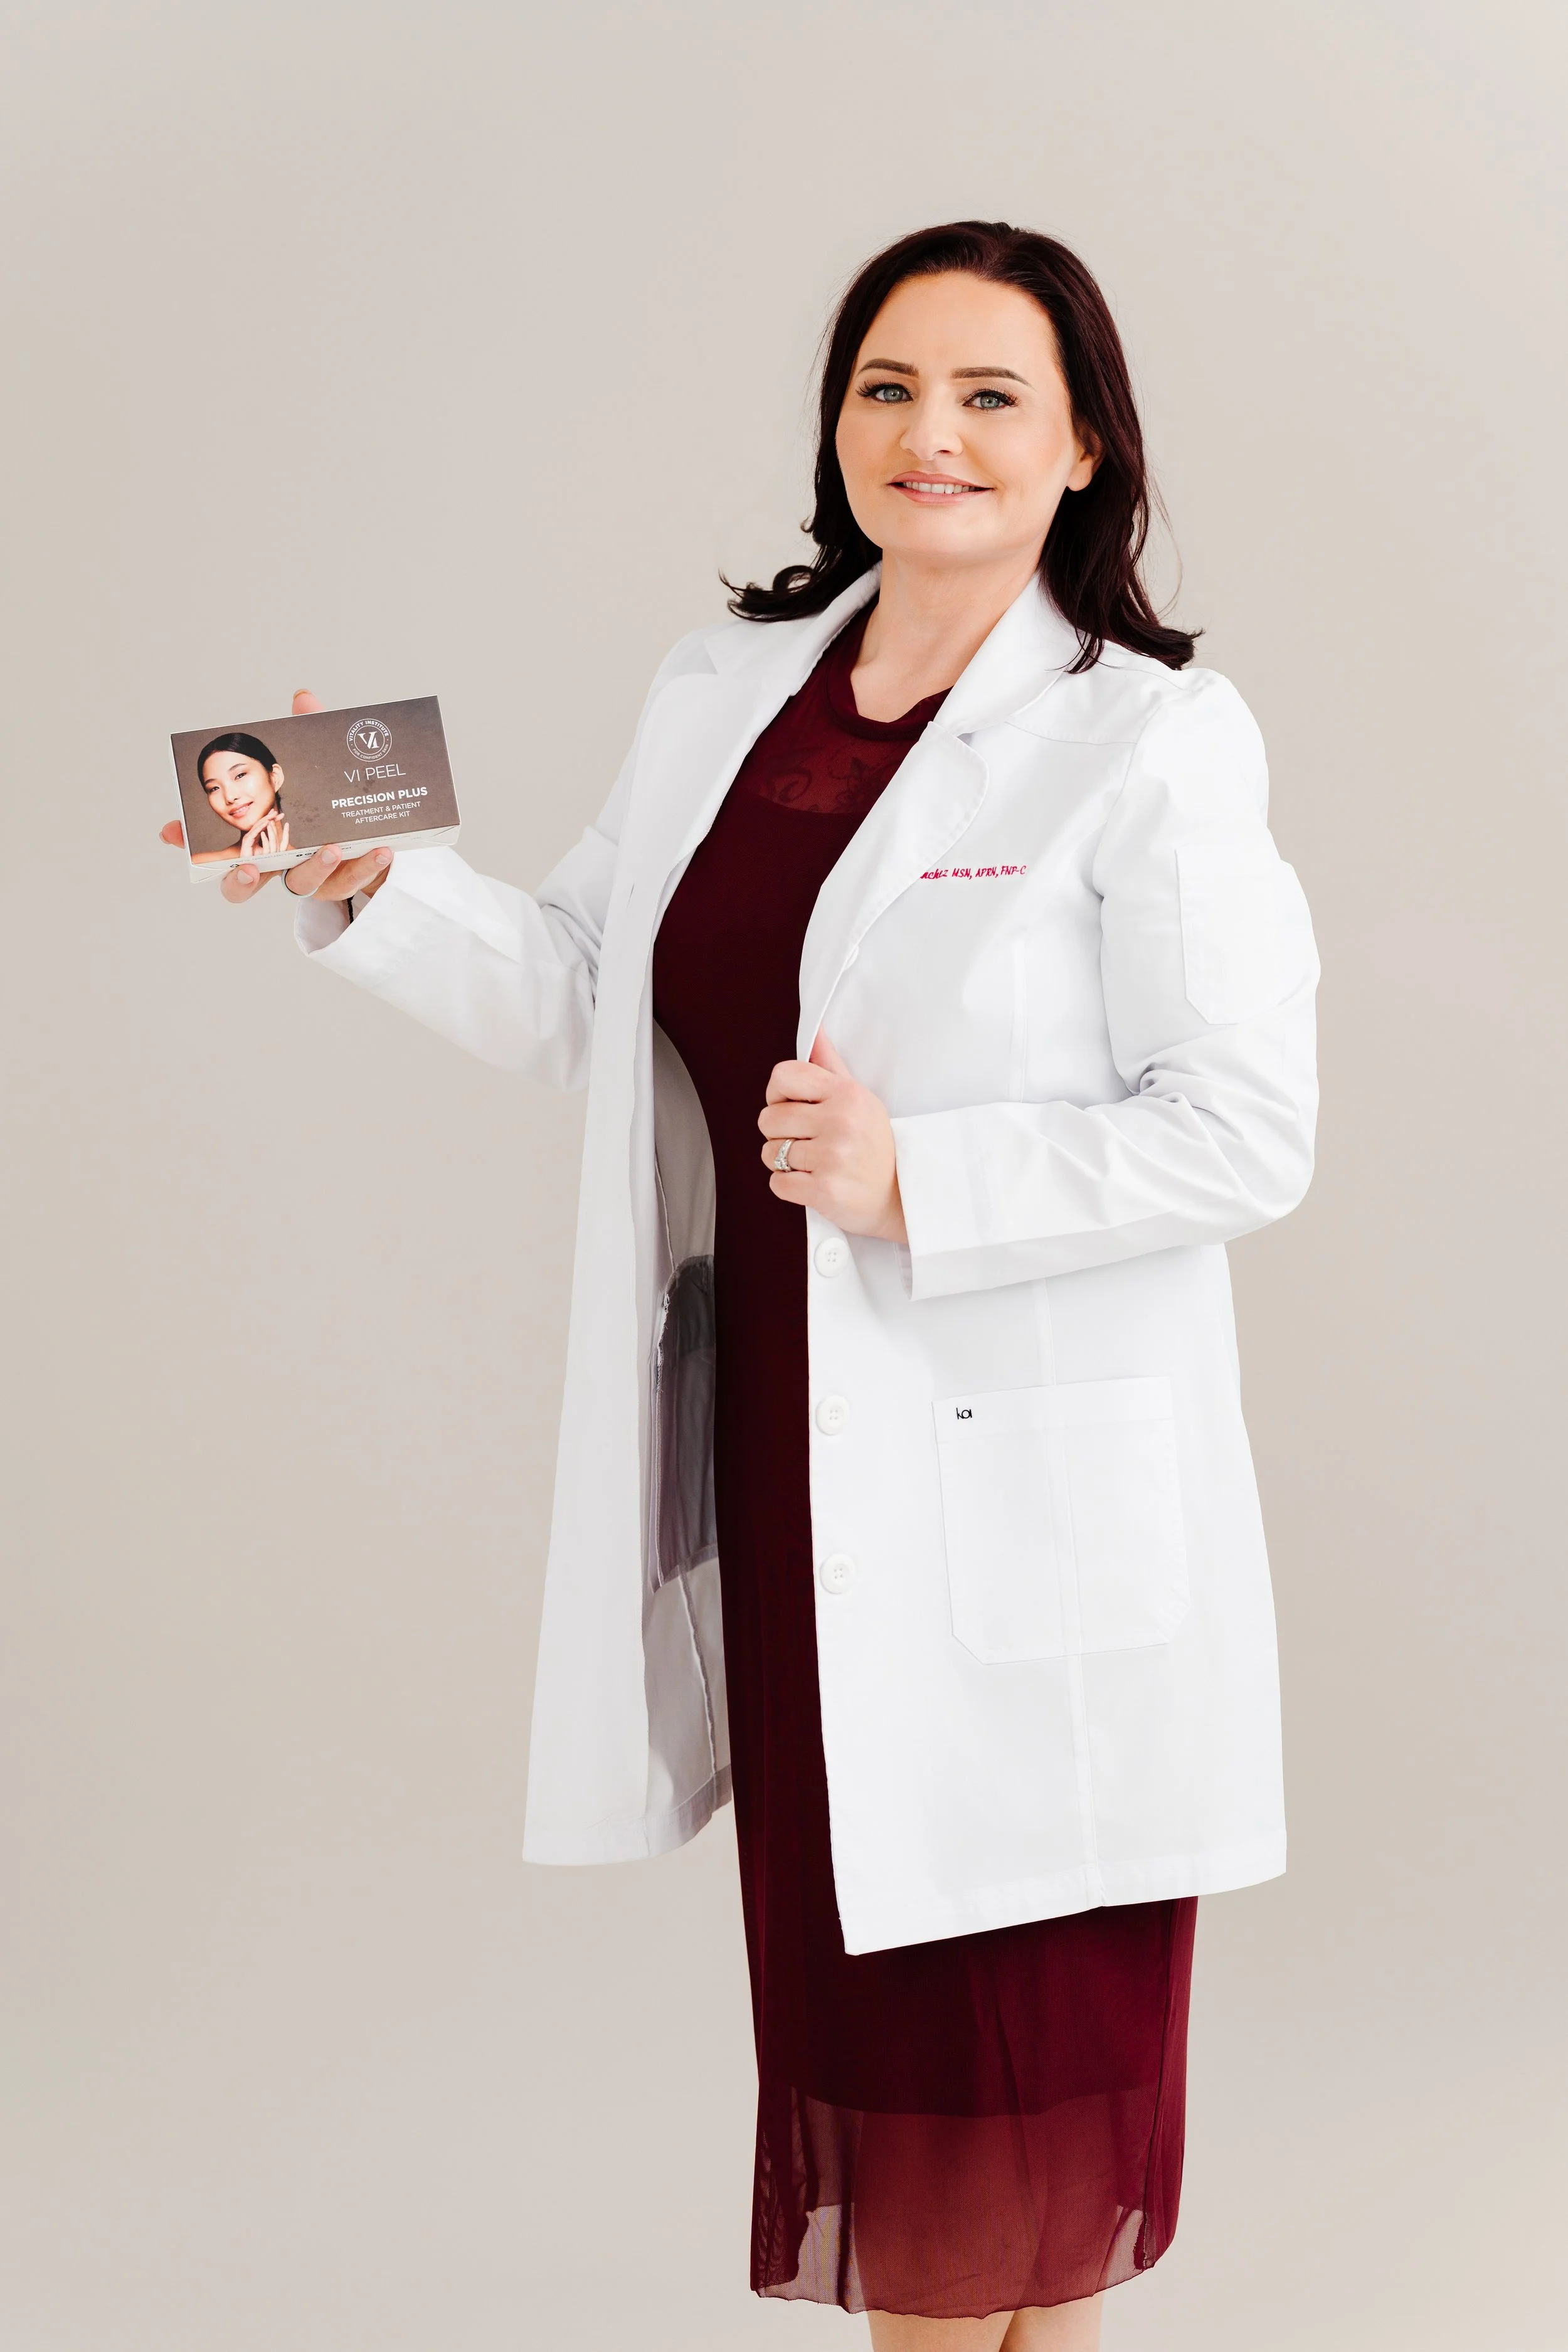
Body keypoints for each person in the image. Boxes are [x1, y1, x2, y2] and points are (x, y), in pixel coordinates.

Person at [161, 221, 1319, 2349]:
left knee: (1021, 2127)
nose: (930, 435)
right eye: (890, 386)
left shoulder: (1146, 739)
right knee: (894, 2092)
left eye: (991, 396)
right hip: (797, 1484)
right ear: (838, 422)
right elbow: (589, 996)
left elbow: (1244, 1126)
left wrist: (919, 1180)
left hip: (1021, 1527)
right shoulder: (725, 692)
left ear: (1084, 451)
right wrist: (367, 883)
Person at [187, 731, 290, 864]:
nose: (230, 797)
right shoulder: (200, 864)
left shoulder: (315, 862)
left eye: (240, 775)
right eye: (214, 788)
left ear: (275, 777)